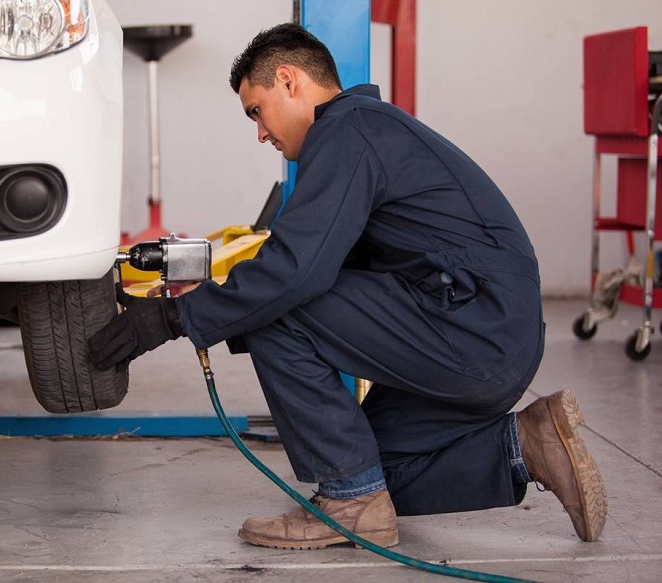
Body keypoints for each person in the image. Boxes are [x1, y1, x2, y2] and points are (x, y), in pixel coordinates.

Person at [89, 23, 607, 549]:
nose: (260, 134)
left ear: (288, 81)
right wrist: (201, 300)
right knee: (370, 466)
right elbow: (314, 263)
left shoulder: (347, 131)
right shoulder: (370, 133)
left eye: (256, 111)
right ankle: (527, 445)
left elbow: (294, 273)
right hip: (489, 335)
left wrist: (174, 319)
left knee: (277, 310)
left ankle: (350, 499)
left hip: (473, 326)